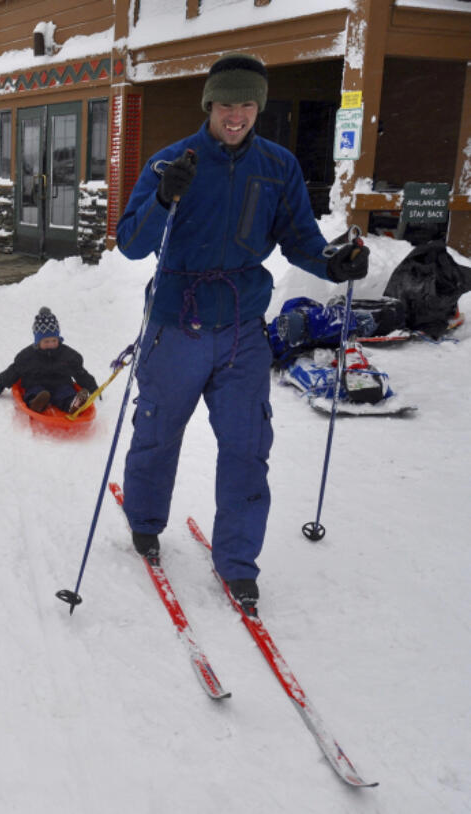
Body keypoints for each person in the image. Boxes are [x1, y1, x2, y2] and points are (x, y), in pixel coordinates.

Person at [114, 53, 369, 612]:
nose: (237, 115)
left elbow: (301, 237)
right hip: (175, 325)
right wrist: (162, 197)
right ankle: (146, 520)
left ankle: (237, 561)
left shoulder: (277, 166)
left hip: (240, 329)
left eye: (248, 103)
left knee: (249, 447)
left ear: (259, 105)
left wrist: (335, 262)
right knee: (158, 434)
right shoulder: (169, 163)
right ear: (209, 105)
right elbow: (130, 243)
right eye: (226, 103)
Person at [0, 307, 98, 413]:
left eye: (54, 340)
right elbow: (14, 371)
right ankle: (35, 403)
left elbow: (79, 372)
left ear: (58, 339)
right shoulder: (28, 356)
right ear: (38, 342)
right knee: (34, 392)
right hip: (36, 383)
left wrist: (92, 388)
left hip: (60, 384)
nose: (51, 344)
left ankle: (72, 405)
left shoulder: (67, 355)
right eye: (46, 341)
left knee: (66, 392)